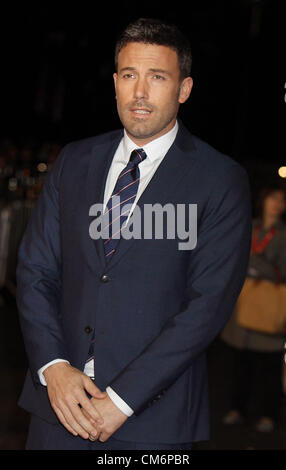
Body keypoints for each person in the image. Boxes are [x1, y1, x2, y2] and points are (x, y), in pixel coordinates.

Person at [16, 18, 252, 450]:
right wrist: (54, 367)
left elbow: (208, 305)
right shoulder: (73, 161)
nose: (139, 92)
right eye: (129, 75)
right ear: (115, 82)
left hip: (151, 419)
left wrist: (122, 401)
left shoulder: (220, 180)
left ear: (183, 89)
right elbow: (35, 272)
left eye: (157, 77)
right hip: (57, 409)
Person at [221, 185, 286, 432]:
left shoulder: (283, 234)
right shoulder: (248, 226)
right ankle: (236, 409)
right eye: (273, 198)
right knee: (239, 364)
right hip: (243, 304)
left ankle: (269, 415)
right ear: (264, 200)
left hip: (268, 309)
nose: (277, 204)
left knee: (269, 368)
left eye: (282, 200)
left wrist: (256, 264)